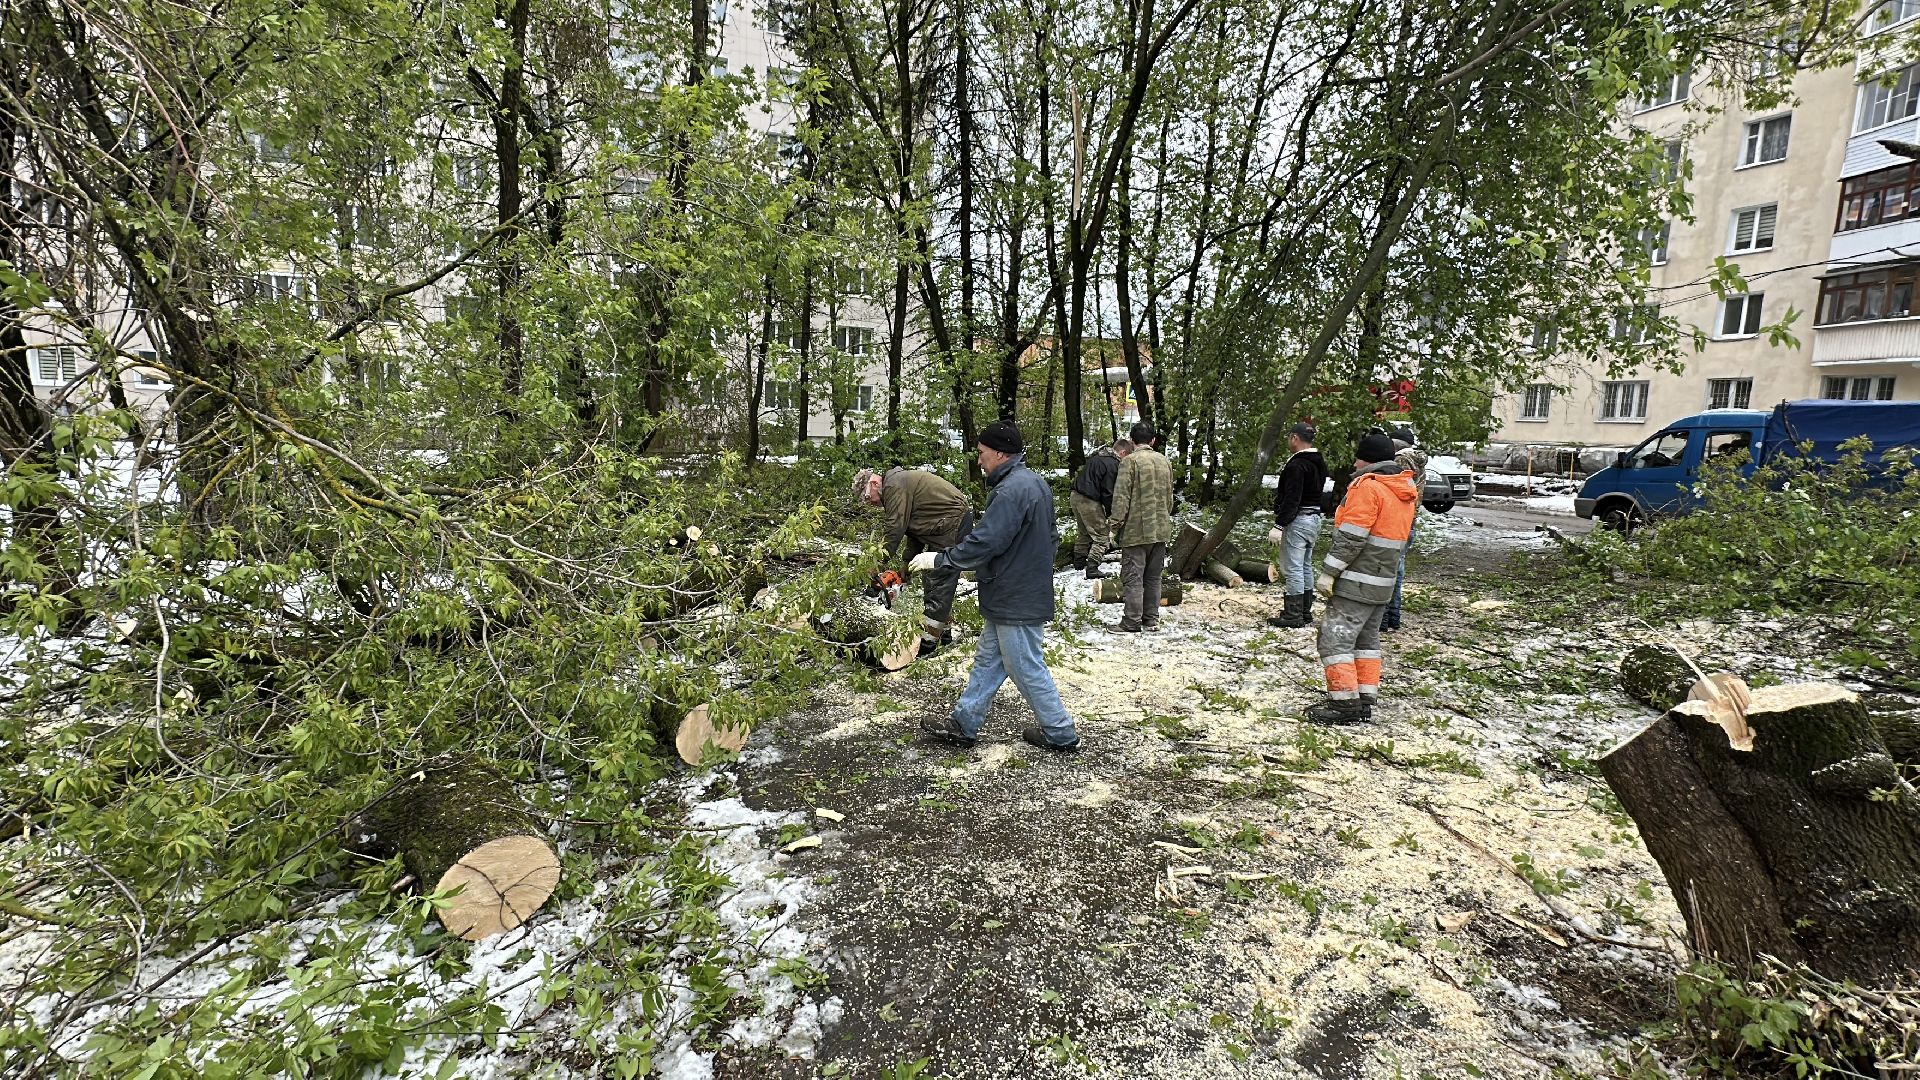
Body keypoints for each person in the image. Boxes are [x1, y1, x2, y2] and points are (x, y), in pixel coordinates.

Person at [911, 422, 1082, 752]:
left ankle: (1060, 731)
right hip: (1015, 590)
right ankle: (964, 723)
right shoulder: (1034, 483)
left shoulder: (1011, 491)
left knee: (1024, 665)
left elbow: (987, 541)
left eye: (982, 453)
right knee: (989, 660)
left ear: (1000, 453)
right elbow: (1051, 538)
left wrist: (941, 560)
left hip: (1014, 596)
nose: (979, 461)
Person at [1307, 432, 1419, 725]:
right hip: (1383, 582)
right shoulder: (1403, 489)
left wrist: (1329, 573)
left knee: (1333, 640)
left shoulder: (1369, 488)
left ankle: (1344, 703)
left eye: (1357, 457)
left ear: (1365, 458)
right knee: (1366, 642)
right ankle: (1364, 699)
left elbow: (1350, 539)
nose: (1354, 463)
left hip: (1357, 580)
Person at [853, 464, 972, 655]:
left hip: (951, 522)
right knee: (935, 582)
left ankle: (928, 644)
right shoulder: (899, 484)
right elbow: (915, 530)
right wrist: (906, 564)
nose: (870, 503)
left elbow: (895, 529)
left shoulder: (893, 486)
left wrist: (875, 565)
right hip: (940, 525)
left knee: (938, 580)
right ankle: (945, 634)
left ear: (874, 483)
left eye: (867, 498)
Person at [1107, 421, 1175, 633]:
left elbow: (1120, 497)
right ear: (1153, 440)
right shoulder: (1164, 461)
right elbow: (1169, 498)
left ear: (1132, 440)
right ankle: (1151, 619)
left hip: (1136, 530)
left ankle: (1131, 622)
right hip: (1161, 528)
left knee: (1133, 577)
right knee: (1154, 577)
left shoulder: (1130, 462)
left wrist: (1114, 525)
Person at [1265, 421, 1327, 629]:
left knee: (1293, 568)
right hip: (1314, 519)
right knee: (1305, 566)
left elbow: (1292, 498)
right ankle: (1304, 611)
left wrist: (1279, 525)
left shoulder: (1297, 465)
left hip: (1298, 520)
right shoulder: (1319, 462)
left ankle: (1293, 614)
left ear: (1294, 438)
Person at [1381, 426, 1427, 632]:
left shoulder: (1400, 462)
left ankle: (1383, 618)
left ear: (1396, 444)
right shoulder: (1418, 462)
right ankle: (1393, 616)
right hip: (1411, 520)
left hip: (1398, 521)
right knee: (1398, 570)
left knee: (1387, 570)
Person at [1068, 437, 1133, 579]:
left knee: (1084, 532)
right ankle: (1092, 569)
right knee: (1102, 536)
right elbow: (1109, 493)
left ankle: (1078, 563)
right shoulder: (1113, 465)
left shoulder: (1097, 457)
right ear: (1122, 453)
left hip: (1075, 495)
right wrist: (1113, 515)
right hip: (1089, 500)